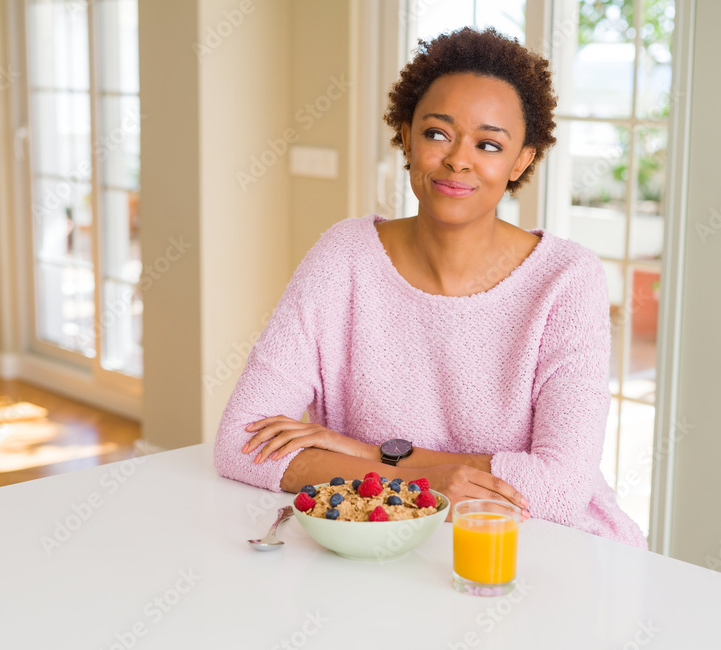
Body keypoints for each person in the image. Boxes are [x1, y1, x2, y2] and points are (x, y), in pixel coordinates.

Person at [214, 27, 648, 550]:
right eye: (438, 133)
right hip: (382, 549)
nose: (458, 160)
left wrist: (363, 454)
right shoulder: (344, 256)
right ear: (407, 134)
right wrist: (418, 485)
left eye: (489, 144)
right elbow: (241, 444)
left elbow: (560, 490)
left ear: (521, 162)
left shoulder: (566, 279)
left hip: (544, 549)